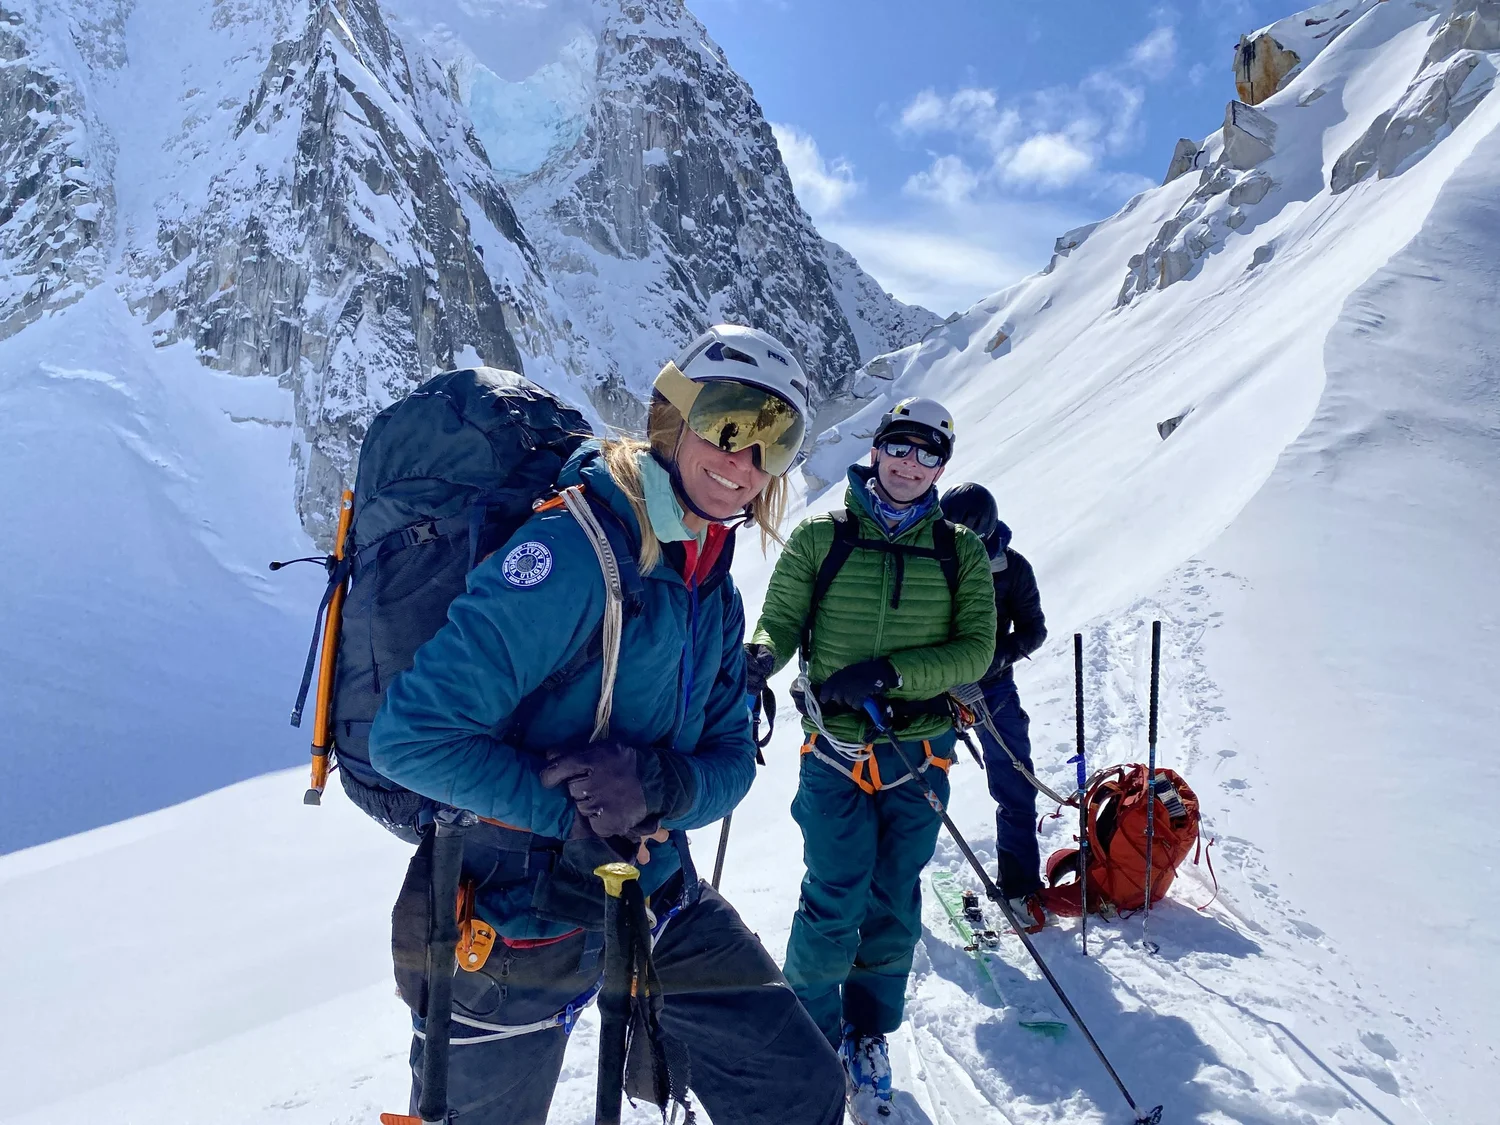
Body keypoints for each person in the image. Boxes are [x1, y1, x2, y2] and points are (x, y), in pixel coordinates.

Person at [368, 325, 846, 1125]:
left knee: (798, 1087)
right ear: (674, 416)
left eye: (777, 440)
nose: (745, 463)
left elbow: (731, 760)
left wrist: (656, 784)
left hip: (651, 890)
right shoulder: (571, 553)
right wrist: (579, 815)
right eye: (729, 424)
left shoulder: (711, 585)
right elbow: (409, 738)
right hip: (514, 918)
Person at [744, 397, 996, 1119]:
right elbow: (781, 617)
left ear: (941, 468)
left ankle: (867, 1030)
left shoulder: (959, 551)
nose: (911, 464)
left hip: (920, 753)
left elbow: (976, 650)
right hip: (836, 749)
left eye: (929, 453)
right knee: (835, 893)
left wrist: (888, 673)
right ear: (877, 449)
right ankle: (812, 1033)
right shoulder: (822, 537)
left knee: (892, 896)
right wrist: (760, 655)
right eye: (901, 446)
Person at [939, 482, 1049, 925]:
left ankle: (1020, 888)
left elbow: (1034, 629)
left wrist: (994, 658)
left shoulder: (1012, 568)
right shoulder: (930, 559)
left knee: (1015, 784)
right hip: (933, 685)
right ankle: (890, 888)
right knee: (909, 787)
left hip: (992, 689)